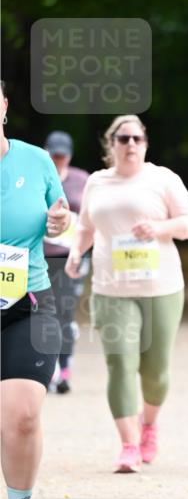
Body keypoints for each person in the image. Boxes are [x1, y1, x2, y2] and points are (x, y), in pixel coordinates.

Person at [65, 115, 188, 472]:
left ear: (145, 143)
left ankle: (149, 426)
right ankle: (127, 445)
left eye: (137, 139)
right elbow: (85, 227)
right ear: (111, 145)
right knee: (121, 363)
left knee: (155, 371)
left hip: (161, 287)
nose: (130, 145)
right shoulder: (97, 182)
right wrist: (77, 253)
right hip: (111, 288)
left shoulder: (162, 179)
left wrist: (158, 228)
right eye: (123, 138)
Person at [0, 81, 70, 499]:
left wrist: (60, 222)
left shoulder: (34, 159)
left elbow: (60, 214)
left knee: (22, 414)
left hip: (28, 300)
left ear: (3, 106)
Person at [43, 131, 90, 394]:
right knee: (43, 313)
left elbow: (91, 214)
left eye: (62, 155)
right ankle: (46, 368)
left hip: (72, 255)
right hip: (41, 255)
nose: (58, 160)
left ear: (69, 155)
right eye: (54, 155)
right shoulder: (38, 178)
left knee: (65, 312)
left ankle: (64, 367)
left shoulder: (81, 180)